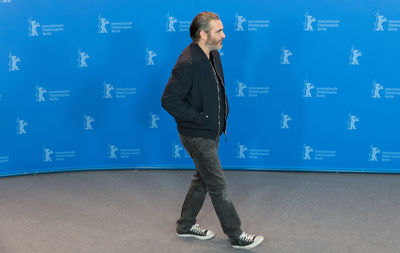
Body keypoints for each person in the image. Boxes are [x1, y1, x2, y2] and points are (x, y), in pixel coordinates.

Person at [161, 12, 263, 250]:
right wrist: (199, 118)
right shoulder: (187, 63)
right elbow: (169, 100)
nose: (224, 35)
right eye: (218, 31)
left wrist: (216, 119)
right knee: (217, 185)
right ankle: (236, 236)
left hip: (211, 131)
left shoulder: (213, 56)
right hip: (197, 135)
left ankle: (185, 225)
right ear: (203, 34)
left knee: (202, 179)